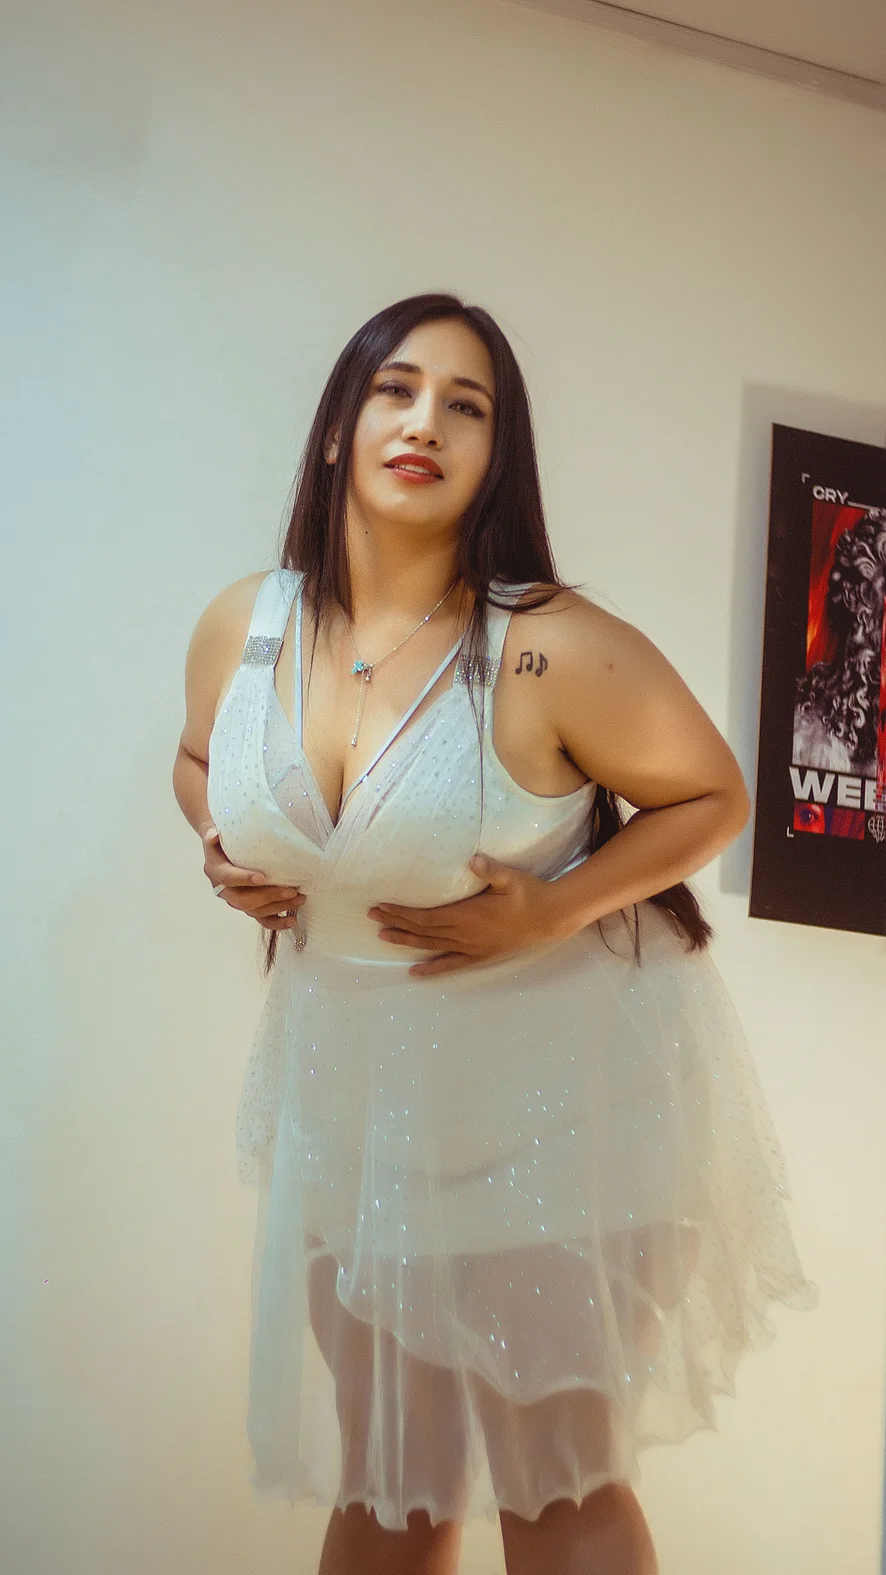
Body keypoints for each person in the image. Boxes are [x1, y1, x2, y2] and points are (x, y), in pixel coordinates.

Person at [173, 293, 818, 1575]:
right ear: (336, 429)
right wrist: (217, 844)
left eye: (464, 407)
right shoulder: (246, 625)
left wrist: (556, 909)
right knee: (389, 1479)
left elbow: (713, 796)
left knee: (553, 1478)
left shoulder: (547, 645)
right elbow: (198, 760)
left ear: (495, 455)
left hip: (555, 1112)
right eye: (396, 390)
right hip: (357, 1103)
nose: (424, 423)